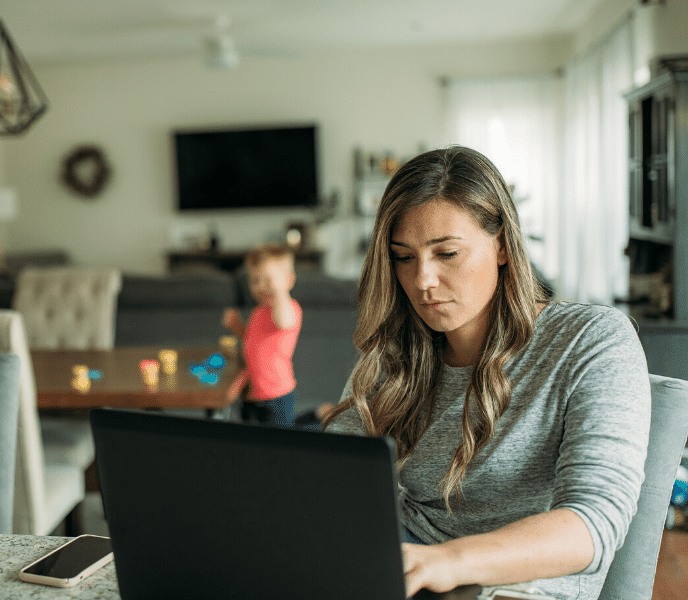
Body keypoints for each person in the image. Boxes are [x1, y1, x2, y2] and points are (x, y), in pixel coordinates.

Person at [323, 146, 649, 599]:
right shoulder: (397, 352)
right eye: (404, 257)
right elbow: (326, 480)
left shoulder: (591, 340)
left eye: (447, 253)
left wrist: (448, 562)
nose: (422, 281)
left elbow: (593, 522)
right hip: (409, 574)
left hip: (523, 588)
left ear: (500, 245)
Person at [223, 244, 312, 428]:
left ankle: (316, 419)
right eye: (255, 281)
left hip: (276, 395)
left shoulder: (288, 309)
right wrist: (238, 327)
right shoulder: (259, 311)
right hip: (251, 394)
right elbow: (253, 340)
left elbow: (283, 322)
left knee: (281, 442)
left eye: (268, 280)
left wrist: (279, 291)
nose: (261, 286)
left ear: (289, 281)